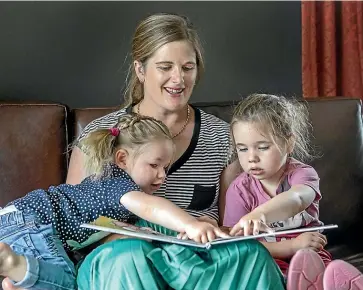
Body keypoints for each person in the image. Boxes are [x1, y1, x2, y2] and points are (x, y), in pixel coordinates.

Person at [0, 114, 229, 290]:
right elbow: (150, 206)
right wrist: (189, 224)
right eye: (154, 165)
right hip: (34, 222)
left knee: (53, 276)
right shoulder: (117, 183)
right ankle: (15, 265)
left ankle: (19, 277)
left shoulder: (102, 186)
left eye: (165, 167)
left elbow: (105, 231)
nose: (162, 175)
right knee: (70, 283)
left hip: (18, 220)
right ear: (122, 159)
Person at [224, 93, 363, 290]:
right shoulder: (239, 190)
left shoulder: (302, 174)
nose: (251, 158)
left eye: (262, 147)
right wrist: (289, 246)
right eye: (242, 149)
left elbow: (297, 198)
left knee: (315, 264)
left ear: (288, 143)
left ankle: (330, 282)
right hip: (268, 256)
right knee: (261, 270)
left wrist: (259, 214)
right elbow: (238, 246)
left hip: (310, 252)